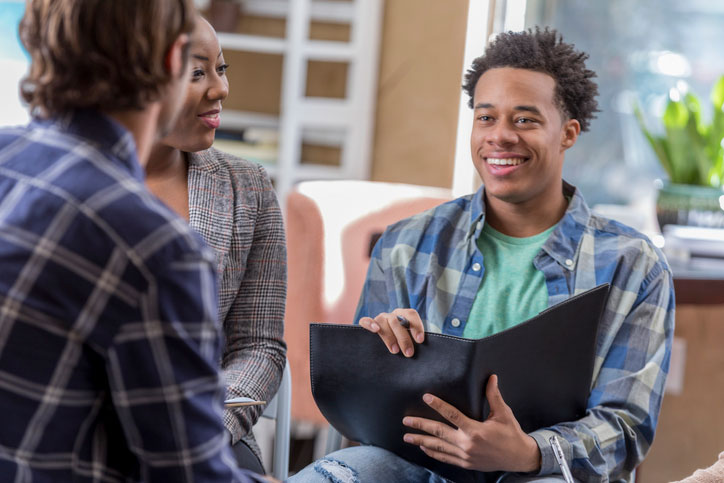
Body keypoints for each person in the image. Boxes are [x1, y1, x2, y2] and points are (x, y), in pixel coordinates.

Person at [290, 28, 675, 482]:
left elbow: (625, 427)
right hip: (412, 468)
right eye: (486, 117)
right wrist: (380, 359)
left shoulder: (633, 266)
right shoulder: (405, 243)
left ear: (567, 133)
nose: (500, 137)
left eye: (525, 120)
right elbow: (363, 418)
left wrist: (527, 452)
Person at [0, 1, 261, 481]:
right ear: (172, 61)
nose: (219, 87)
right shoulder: (154, 246)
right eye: (200, 68)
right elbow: (188, 473)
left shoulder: (7, 157)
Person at [146, 17, 287, 473]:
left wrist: (208, 425)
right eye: (196, 73)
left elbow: (258, 345)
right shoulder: (61, 184)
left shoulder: (248, 188)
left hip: (206, 432)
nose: (221, 89)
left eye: (221, 69)